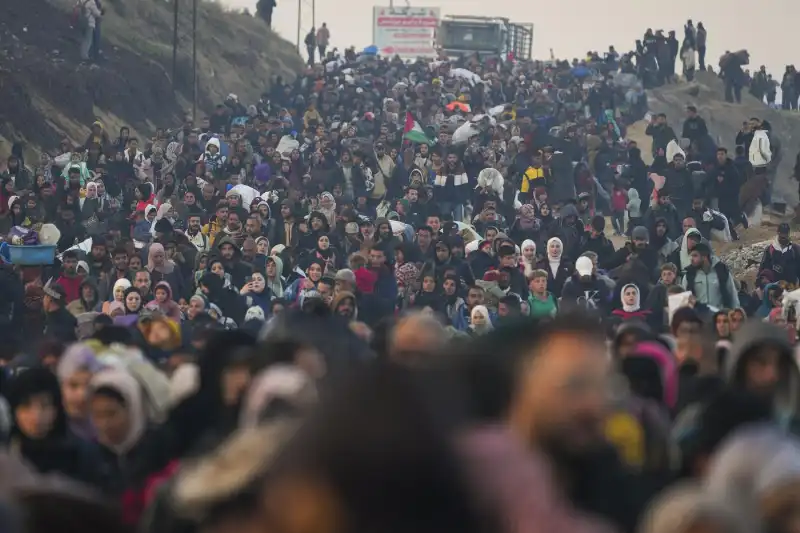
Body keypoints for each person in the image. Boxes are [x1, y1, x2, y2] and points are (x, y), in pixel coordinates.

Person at [682, 242, 739, 310]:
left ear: (704, 257)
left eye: (695, 256)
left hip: (720, 316)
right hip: (698, 316)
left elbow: (732, 293)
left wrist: (736, 312)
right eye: (691, 256)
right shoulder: (689, 275)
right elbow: (684, 299)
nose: (691, 259)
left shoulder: (721, 271)